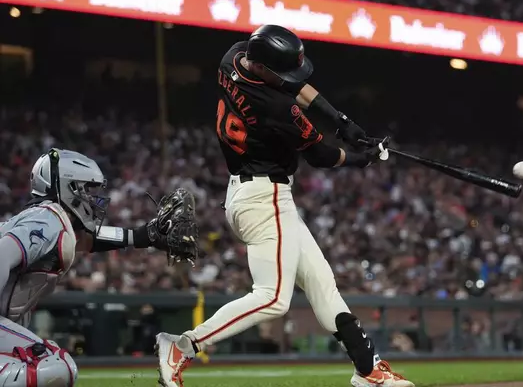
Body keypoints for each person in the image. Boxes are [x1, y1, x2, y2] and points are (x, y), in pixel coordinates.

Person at [155, 24, 414, 387]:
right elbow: (322, 156)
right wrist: (362, 156)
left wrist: (342, 122)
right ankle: (183, 346)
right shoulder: (273, 106)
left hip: (256, 193)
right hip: (264, 199)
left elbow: (295, 85)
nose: (289, 79)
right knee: (274, 298)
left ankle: (368, 369)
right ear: (262, 68)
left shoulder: (233, 56)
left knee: (323, 284)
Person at [0, 148, 198, 387]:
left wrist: (143, 236)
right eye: (85, 189)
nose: (91, 198)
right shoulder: (47, 218)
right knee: (56, 367)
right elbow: (3, 253)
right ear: (67, 187)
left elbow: (84, 241)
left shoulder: (46, 220)